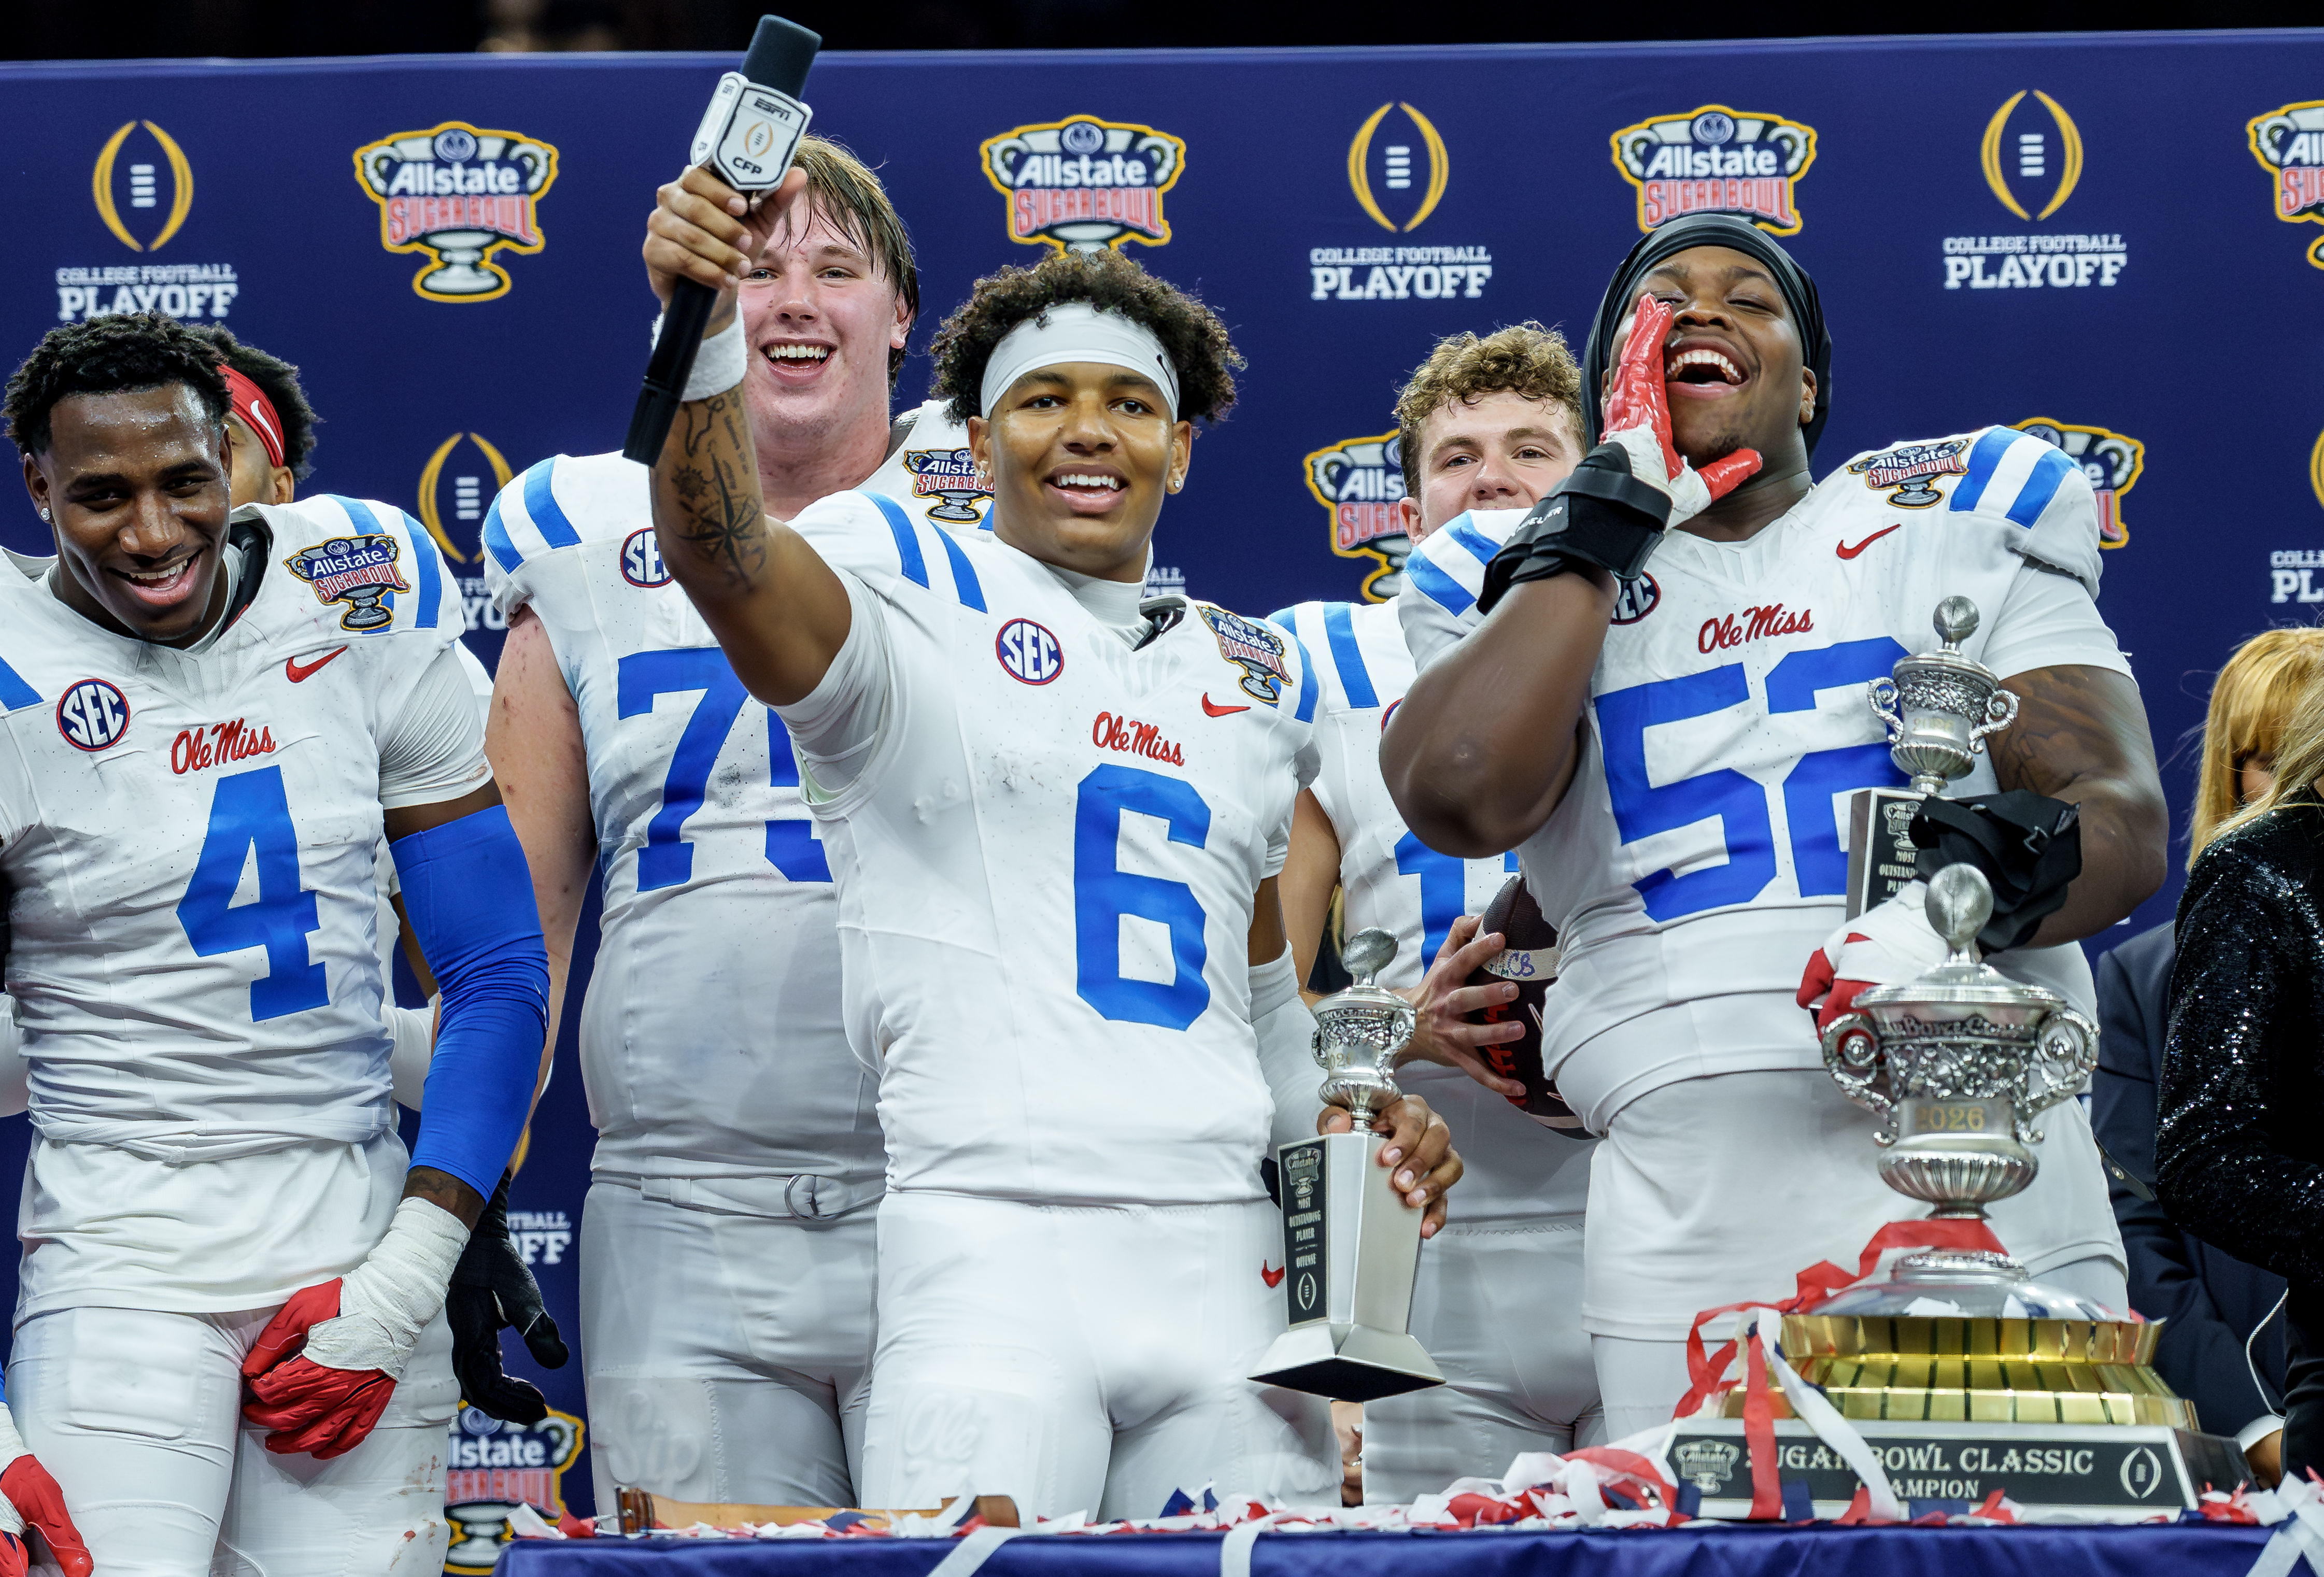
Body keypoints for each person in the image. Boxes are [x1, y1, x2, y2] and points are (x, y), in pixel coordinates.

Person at [637, 158, 1464, 1518]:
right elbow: (726, 556)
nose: (1090, 433)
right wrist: (697, 325)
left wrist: (1345, 1116)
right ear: (975, 432)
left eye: (1131, 404)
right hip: (990, 1252)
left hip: (1225, 1263)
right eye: (1043, 400)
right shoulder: (905, 577)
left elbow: (1257, 1003)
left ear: (1181, 444)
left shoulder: (1246, 675)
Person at [1382, 214, 2164, 1437]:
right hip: (1680, 1198)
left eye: (1749, 299)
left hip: (1977, 1147)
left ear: (1810, 379)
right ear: (1608, 386)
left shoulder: (1950, 515)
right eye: (1660, 302)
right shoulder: (1517, 575)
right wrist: (1605, 510)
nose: (1700, 311)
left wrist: (1939, 921)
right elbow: (1459, 790)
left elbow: (2115, 814)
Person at [0, 312, 549, 1570]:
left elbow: (497, 970)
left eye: (184, 482)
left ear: (231, 452)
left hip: (347, 1239)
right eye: (103, 496)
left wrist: (408, 1275)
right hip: (117, 1258)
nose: (156, 532)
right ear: (38, 486)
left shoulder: (359, 582)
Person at [479, 135, 982, 1510]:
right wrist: (463, 1185)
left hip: (959, 1190)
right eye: (752, 270)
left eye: (836, 267)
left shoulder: (995, 521)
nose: (795, 301)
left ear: (903, 314)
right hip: (682, 1212)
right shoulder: (581, 533)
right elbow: (521, 928)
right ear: (692, 306)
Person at [1270, 322, 1602, 1497]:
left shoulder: (1667, 645)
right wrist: (1395, 1028)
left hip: (1644, 1204)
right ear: (1408, 506)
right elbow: (1252, 989)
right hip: (1435, 1227)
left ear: (1595, 471)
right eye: (1455, 456)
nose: (1492, 476)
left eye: (1530, 448)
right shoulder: (1319, 664)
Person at [2110, 630, 2323, 1479]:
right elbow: (2145, 1217)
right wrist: (2247, 1422)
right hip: (2259, 1420)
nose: (2287, 787)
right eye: (2267, 758)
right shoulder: (2163, 959)